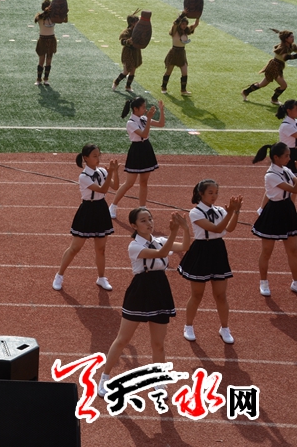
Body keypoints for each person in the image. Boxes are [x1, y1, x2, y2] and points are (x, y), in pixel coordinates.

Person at [96, 209, 192, 397]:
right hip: (140, 291)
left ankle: (158, 380)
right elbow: (161, 253)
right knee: (122, 339)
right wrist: (173, 232)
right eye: (143, 220)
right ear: (134, 225)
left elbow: (186, 246)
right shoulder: (134, 246)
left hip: (160, 290)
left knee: (158, 343)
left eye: (150, 219)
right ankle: (105, 377)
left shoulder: (160, 240)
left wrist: (185, 228)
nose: (149, 223)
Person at [178, 179, 241, 344]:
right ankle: (188, 325)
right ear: (201, 194)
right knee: (197, 294)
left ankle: (225, 328)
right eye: (211, 193)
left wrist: (236, 212)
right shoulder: (195, 212)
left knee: (220, 295)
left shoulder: (220, 210)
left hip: (218, 250)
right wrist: (229, 212)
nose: (214, 196)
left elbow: (230, 228)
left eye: (216, 193)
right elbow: (216, 228)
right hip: (201, 251)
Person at [54, 144, 120, 291]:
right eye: (94, 156)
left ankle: (101, 278)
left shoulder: (103, 171)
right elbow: (102, 189)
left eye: (99, 155)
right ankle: (59, 275)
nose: (98, 158)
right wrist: (110, 173)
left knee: (101, 249)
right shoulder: (83, 176)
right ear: (86, 158)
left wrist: (115, 172)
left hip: (101, 209)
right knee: (75, 248)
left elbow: (115, 187)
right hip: (87, 210)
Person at [250, 143, 297, 297]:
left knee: (293, 250)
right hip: (274, 211)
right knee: (267, 251)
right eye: (286, 156)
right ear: (276, 157)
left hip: (287, 209)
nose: (289, 158)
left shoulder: (286, 170)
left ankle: (295, 281)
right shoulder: (271, 175)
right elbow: (294, 189)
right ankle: (263, 282)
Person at [110, 97, 165, 218]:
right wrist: (149, 118)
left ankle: (143, 208)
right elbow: (144, 134)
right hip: (136, 150)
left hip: (146, 149)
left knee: (144, 182)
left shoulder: (143, 118)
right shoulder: (131, 123)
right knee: (129, 183)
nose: (145, 109)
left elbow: (161, 124)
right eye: (143, 107)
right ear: (135, 109)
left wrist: (161, 110)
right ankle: (113, 205)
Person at [243, 29, 297, 105]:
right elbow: (285, 57)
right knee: (284, 85)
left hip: (277, 66)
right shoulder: (283, 47)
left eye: (293, 37)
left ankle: (245, 92)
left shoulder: (292, 45)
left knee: (262, 84)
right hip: (275, 67)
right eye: (291, 37)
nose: (293, 38)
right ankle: (274, 99)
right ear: (286, 39)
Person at [161, 13, 198, 95]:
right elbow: (174, 24)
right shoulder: (174, 31)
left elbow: (195, 24)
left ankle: (183, 90)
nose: (184, 26)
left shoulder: (186, 31)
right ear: (179, 24)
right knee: (168, 72)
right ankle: (163, 87)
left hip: (182, 53)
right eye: (182, 24)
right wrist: (181, 16)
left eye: (185, 24)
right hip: (174, 52)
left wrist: (198, 16)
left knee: (185, 72)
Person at [113, 13, 144, 92]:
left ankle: (128, 86)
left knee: (133, 70)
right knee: (126, 71)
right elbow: (122, 41)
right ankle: (116, 82)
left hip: (136, 52)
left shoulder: (138, 31)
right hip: (128, 53)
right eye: (136, 22)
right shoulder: (127, 32)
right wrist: (128, 41)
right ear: (132, 23)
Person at [34, 0, 56, 85]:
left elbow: (64, 20)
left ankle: (46, 79)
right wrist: (46, 12)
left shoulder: (53, 17)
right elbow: (36, 19)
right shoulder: (40, 16)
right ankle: (39, 79)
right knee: (41, 60)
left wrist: (65, 13)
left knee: (49, 59)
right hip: (42, 39)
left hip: (51, 39)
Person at [277, 99, 297, 173]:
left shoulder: (294, 122)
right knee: (291, 174)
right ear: (289, 111)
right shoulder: (286, 126)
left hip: (294, 151)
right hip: (289, 153)